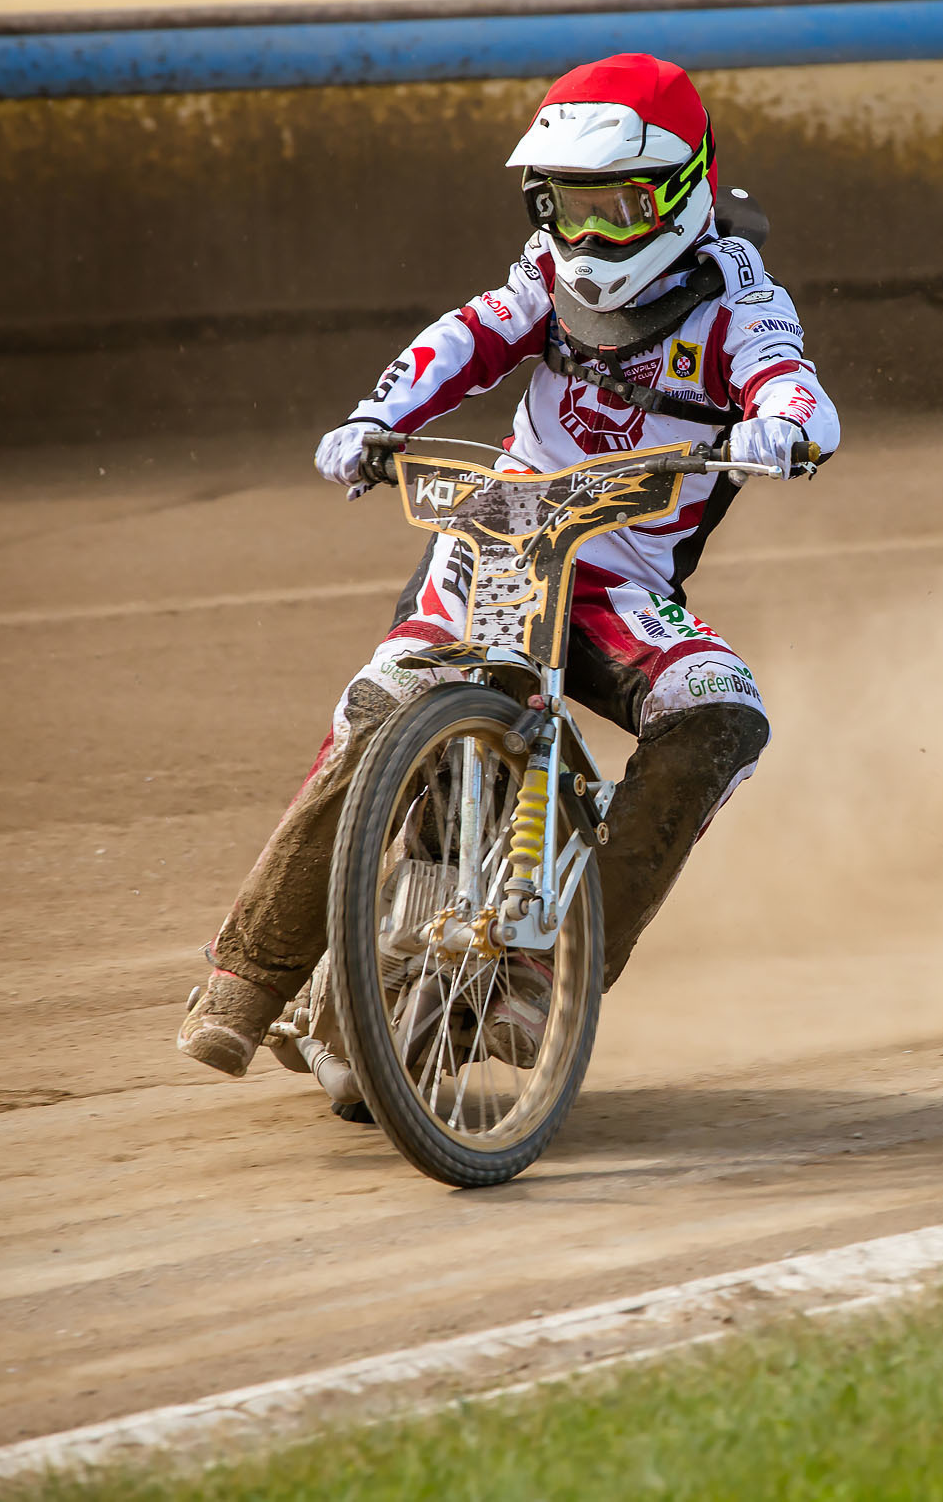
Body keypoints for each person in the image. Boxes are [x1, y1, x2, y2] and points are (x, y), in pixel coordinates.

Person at [177, 53, 841, 1078]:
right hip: (495, 545)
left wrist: (783, 426)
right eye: (565, 208)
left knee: (721, 711)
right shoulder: (544, 276)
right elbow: (473, 333)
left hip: (620, 585)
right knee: (380, 702)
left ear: (681, 190)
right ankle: (246, 975)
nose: (587, 236)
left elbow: (788, 377)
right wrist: (374, 417)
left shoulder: (735, 298)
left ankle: (557, 973)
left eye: (616, 208)